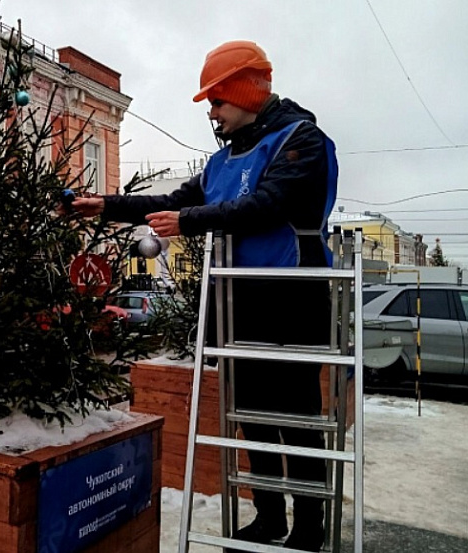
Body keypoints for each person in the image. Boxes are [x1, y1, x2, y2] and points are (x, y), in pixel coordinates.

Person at [70, 40, 337, 552]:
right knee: (252, 415)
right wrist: (102, 205)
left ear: (243, 92)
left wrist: (189, 221)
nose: (212, 114)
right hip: (238, 303)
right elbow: (170, 203)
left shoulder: (301, 140)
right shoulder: (222, 161)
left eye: (216, 102)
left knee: (296, 418)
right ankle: (269, 515)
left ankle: (308, 527)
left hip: (292, 299)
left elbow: (268, 203)